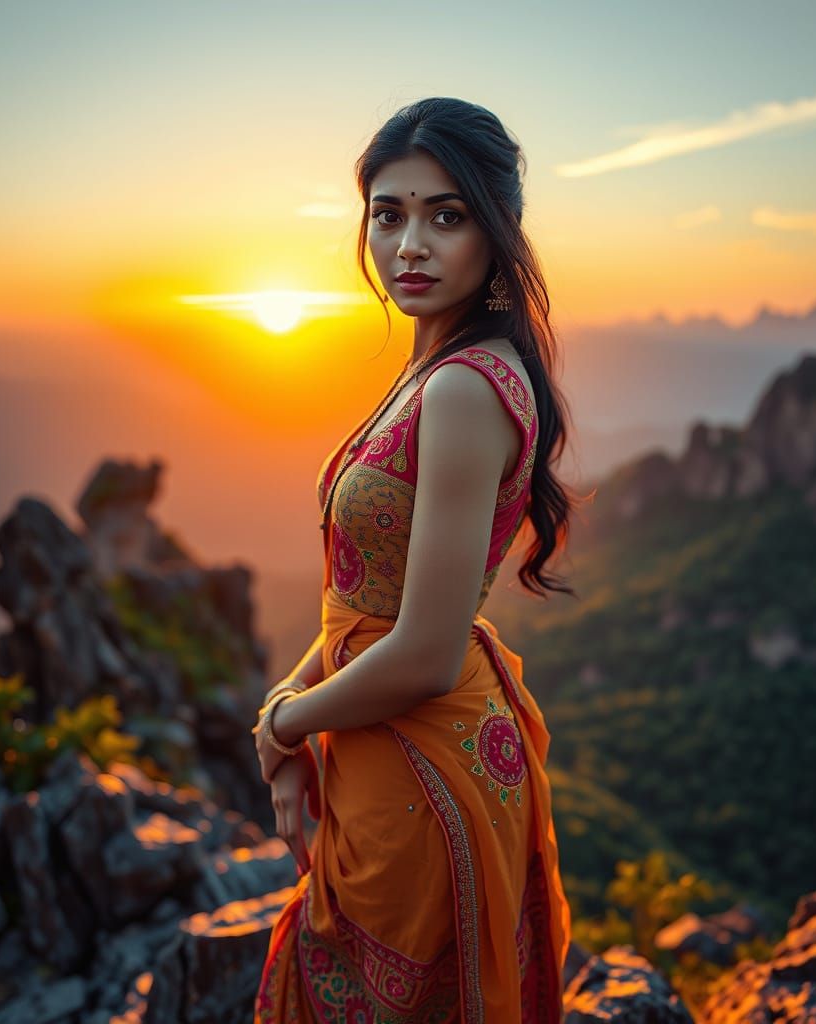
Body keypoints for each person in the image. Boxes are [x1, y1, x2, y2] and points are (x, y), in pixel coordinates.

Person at [252, 96, 580, 1023]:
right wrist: (286, 709)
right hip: (396, 748)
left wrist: (284, 725)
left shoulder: (466, 391)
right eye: (388, 214)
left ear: (496, 230)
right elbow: (370, 608)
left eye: (447, 215)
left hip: (423, 773)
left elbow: (426, 651)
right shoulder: (438, 368)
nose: (411, 245)